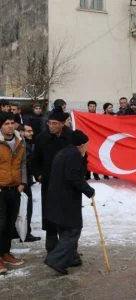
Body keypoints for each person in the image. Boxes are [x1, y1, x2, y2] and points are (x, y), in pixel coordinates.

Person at [44, 130, 95, 275]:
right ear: (80, 145)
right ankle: (56, 260)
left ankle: (70, 258)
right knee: (73, 230)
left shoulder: (64, 152)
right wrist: (88, 190)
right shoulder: (74, 155)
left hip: (57, 198)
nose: (87, 147)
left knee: (66, 229)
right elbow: (73, 177)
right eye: (86, 144)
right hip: (66, 199)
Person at [33, 107, 72, 253]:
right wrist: (39, 175)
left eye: (55, 123)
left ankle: (68, 250)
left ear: (63, 123)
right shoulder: (41, 138)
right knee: (50, 217)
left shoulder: (71, 137)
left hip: (67, 186)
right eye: (50, 123)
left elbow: (80, 159)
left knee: (66, 219)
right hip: (49, 184)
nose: (52, 126)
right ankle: (51, 249)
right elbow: (35, 161)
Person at [0, 112, 27, 274]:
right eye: (6, 123)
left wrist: (23, 182)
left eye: (12, 122)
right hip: (0, 189)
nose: (10, 126)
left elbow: (23, 164)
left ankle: (5, 253)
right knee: (0, 224)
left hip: (14, 188)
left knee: (10, 224)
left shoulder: (20, 141)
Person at [22, 123, 41, 242]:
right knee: (25, 208)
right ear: (22, 132)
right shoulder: (24, 146)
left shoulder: (29, 144)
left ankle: (24, 232)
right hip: (23, 181)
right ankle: (25, 233)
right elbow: (28, 163)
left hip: (26, 179)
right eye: (28, 131)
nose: (31, 133)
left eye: (32, 131)